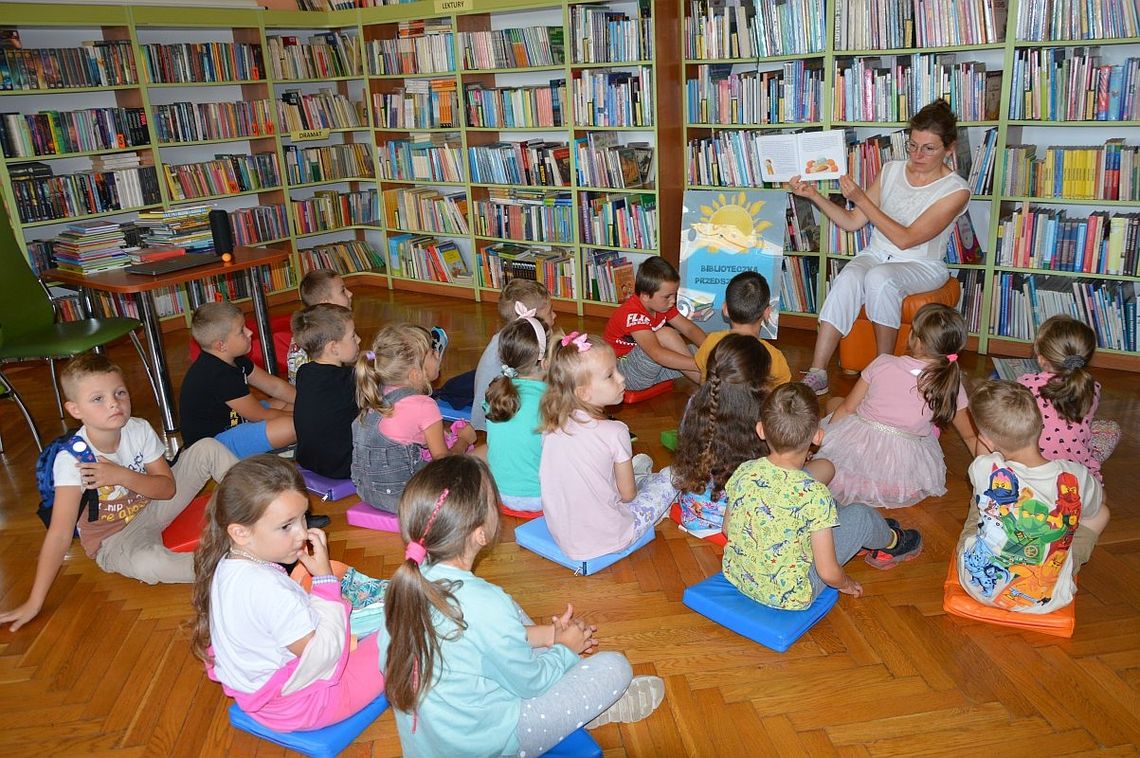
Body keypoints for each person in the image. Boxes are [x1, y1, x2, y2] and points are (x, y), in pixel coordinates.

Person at [378, 456, 665, 755]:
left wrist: (550, 636)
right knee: (615, 666)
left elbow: (472, 643)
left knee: (509, 609)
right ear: (481, 532)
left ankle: (576, 697)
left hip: (431, 743)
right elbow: (532, 684)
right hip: (490, 745)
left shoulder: (402, 588)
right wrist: (565, 651)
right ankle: (590, 707)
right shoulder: (485, 605)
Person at [0, 353, 236, 632]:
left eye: (119, 393)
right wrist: (34, 601)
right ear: (75, 410)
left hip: (155, 503)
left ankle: (266, 508)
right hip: (115, 539)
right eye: (98, 399)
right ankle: (232, 566)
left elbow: (167, 488)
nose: (114, 403)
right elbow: (60, 534)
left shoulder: (138, 429)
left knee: (207, 448)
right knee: (150, 565)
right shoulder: (73, 460)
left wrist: (121, 475)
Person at [789, 99, 971, 395]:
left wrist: (861, 199)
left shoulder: (956, 191)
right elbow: (851, 222)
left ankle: (881, 370)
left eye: (929, 148)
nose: (917, 155)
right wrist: (812, 195)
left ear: (949, 148)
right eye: (912, 145)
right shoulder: (890, 170)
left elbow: (906, 238)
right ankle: (817, 371)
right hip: (876, 254)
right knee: (849, 277)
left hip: (921, 264)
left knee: (880, 278)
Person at [191, 455, 387, 730]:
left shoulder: (227, 563)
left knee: (324, 574)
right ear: (241, 532)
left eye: (303, 518)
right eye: (286, 526)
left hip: (265, 698)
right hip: (308, 706)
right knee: (405, 632)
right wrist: (325, 582)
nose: (302, 533)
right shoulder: (269, 592)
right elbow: (323, 655)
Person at [724, 383, 924, 611]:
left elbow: (728, 529)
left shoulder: (745, 470)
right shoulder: (814, 495)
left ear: (760, 430)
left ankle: (858, 531)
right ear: (818, 437)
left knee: (817, 499)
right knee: (860, 515)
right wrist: (846, 584)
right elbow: (828, 573)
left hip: (739, 575)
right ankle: (893, 541)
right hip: (789, 594)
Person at [956, 381, 1108, 612]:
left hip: (976, 584)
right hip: (1046, 598)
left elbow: (984, 460)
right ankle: (1065, 568)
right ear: (1041, 425)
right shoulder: (1075, 476)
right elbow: (1095, 505)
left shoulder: (984, 468)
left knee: (982, 498)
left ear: (986, 442)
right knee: (1101, 512)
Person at [815, 303, 980, 509]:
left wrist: (827, 443)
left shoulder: (883, 362)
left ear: (915, 339)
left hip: (857, 454)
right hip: (902, 481)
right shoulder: (951, 383)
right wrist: (993, 471)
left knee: (835, 402)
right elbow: (970, 436)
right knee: (927, 430)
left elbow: (847, 409)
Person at [674, 334, 834, 539]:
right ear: (760, 380)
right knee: (826, 467)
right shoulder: (764, 412)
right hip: (742, 519)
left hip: (695, 510)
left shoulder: (695, 402)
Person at [538, 332, 676, 560]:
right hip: (611, 538)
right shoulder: (616, 432)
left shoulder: (552, 426)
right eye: (610, 375)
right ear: (583, 392)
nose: (621, 379)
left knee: (629, 470)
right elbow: (628, 495)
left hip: (563, 536)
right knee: (672, 476)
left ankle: (636, 471)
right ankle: (645, 481)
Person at [352, 323, 477, 512]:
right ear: (415, 374)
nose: (438, 356)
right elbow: (443, 463)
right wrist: (463, 440)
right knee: (476, 462)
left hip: (367, 492)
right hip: (403, 498)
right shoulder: (425, 406)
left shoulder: (376, 393)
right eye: (433, 354)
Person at [180, 301, 297, 458]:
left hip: (236, 423)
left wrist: (311, 401)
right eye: (241, 330)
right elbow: (259, 415)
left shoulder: (233, 358)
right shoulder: (218, 374)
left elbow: (274, 386)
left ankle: (272, 443)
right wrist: (308, 416)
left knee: (291, 402)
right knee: (292, 426)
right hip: (214, 447)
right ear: (221, 345)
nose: (249, 332)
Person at [1017, 315, 1120, 483]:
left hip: (1030, 472)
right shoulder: (1092, 388)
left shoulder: (1024, 384)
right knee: (1110, 428)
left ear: (1041, 358)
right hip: (1077, 479)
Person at [484, 310, 553, 514]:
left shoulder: (495, 392)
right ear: (546, 361)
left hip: (500, 493)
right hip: (542, 497)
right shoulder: (551, 401)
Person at [602, 256, 706, 389]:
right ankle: (709, 384)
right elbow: (656, 353)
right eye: (667, 296)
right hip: (624, 374)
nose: (673, 301)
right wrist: (700, 364)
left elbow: (689, 329)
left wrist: (711, 350)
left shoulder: (662, 305)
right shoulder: (632, 314)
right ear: (645, 296)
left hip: (652, 367)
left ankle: (712, 380)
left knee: (695, 349)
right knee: (667, 334)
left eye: (674, 294)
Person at [472, 279, 556, 431]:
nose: (555, 315)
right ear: (532, 319)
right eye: (550, 312)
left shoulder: (509, 339)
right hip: (503, 417)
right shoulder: (501, 352)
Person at [293, 304, 360, 480]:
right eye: (353, 336)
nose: (359, 340)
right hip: (345, 466)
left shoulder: (304, 372)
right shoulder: (349, 380)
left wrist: (368, 357)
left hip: (309, 460)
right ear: (333, 348)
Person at [692, 271, 792, 386]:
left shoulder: (711, 342)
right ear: (767, 312)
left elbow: (704, 382)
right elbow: (779, 396)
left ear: (725, 309)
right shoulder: (774, 356)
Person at [287, 268, 354, 383]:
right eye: (342, 291)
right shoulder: (328, 334)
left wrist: (373, 355)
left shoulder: (326, 326)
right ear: (325, 303)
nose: (350, 293)